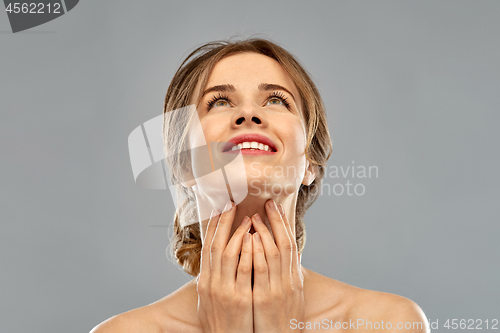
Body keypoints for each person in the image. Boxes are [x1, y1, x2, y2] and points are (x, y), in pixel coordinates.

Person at [91, 37, 429, 333]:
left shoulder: (389, 323)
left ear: (310, 162)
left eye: (276, 100)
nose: (249, 114)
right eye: (219, 102)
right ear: (183, 166)